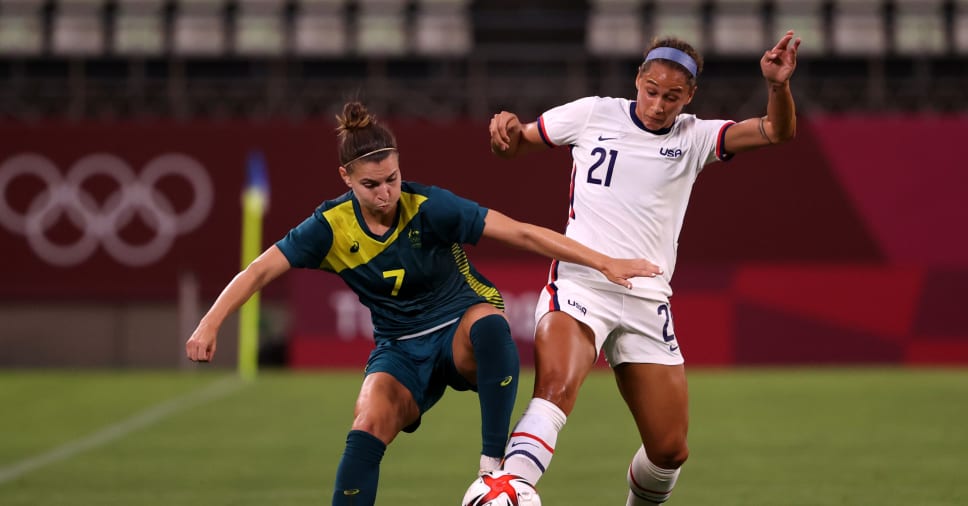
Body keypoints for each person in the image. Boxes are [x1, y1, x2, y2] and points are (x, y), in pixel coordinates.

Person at [185, 101, 661, 506]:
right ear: (346, 178)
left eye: (392, 178)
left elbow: (520, 232)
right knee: (368, 420)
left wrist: (603, 262)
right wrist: (210, 324)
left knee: (490, 325)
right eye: (372, 185)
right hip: (400, 348)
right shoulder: (329, 227)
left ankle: (493, 469)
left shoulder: (429, 206)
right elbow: (259, 270)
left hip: (459, 327)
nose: (386, 192)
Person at [487, 31, 801, 504]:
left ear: (689, 96)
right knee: (555, 389)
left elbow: (777, 132)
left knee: (669, 450)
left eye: (671, 97)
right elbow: (513, 148)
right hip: (583, 283)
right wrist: (505, 130)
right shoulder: (592, 112)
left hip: (646, 299)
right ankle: (507, 488)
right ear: (638, 79)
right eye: (651, 90)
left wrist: (777, 86)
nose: (657, 104)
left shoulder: (695, 137)